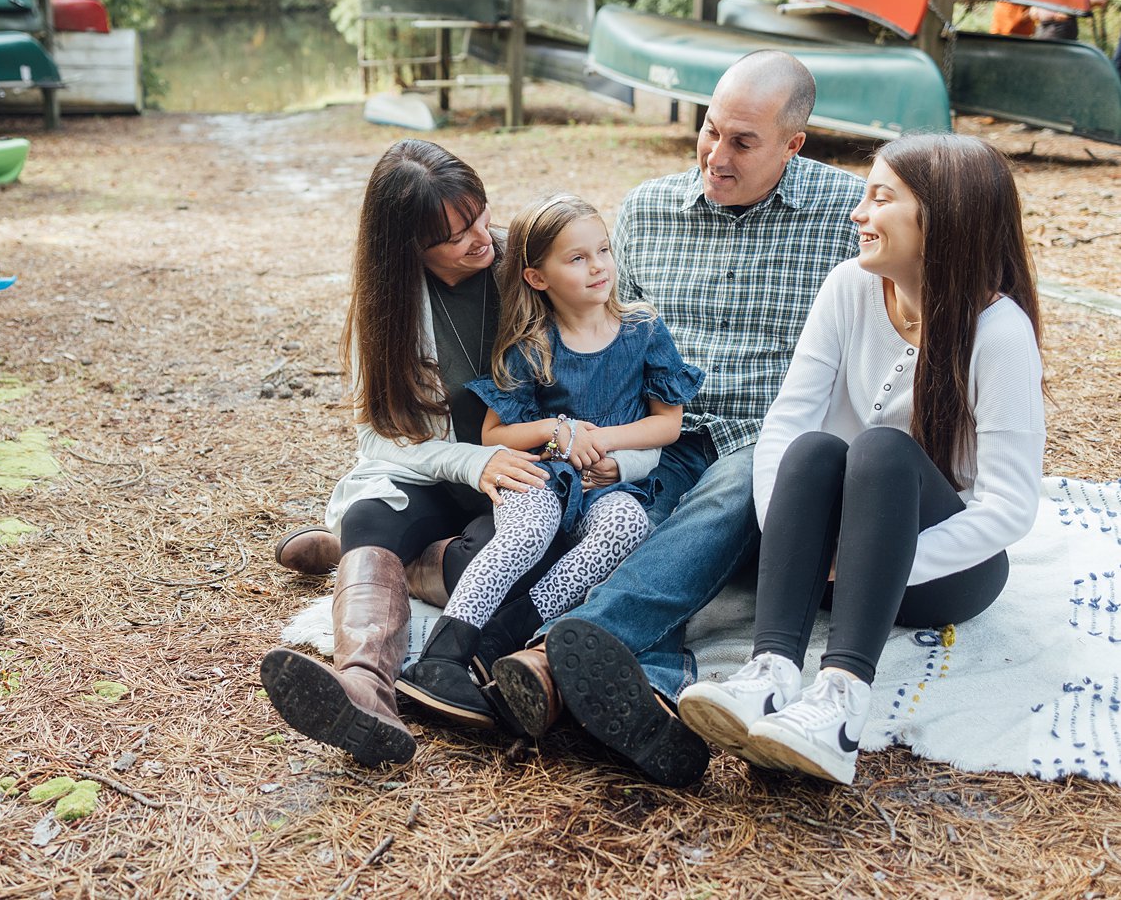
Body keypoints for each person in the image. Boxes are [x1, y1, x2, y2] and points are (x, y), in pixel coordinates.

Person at [489, 50, 866, 788]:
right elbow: (608, 333)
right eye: (709, 129)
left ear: (795, 145)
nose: (715, 156)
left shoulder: (848, 218)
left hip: (771, 434)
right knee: (625, 516)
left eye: (743, 143)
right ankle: (651, 688)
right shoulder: (647, 210)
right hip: (657, 431)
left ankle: (560, 652)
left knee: (732, 491)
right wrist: (592, 438)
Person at [676, 133, 1045, 785]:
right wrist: (793, 538)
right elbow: (786, 423)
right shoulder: (849, 288)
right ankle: (770, 674)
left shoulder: (999, 332)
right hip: (834, 568)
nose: (857, 213)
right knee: (816, 447)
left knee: (879, 450)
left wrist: (872, 562)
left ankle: (840, 704)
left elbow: (1011, 507)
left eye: (880, 198)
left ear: (940, 218)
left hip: (943, 571)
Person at [258, 139, 554, 766]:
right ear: (408, 250)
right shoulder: (388, 303)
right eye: (456, 236)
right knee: (374, 510)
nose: (483, 239)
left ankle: (353, 554)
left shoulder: (527, 266)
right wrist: (471, 462)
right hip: (440, 470)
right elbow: (378, 436)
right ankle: (365, 687)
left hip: (517, 473)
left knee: (514, 561)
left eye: (480, 215)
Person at [396, 193, 702, 728]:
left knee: (627, 526)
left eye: (603, 250)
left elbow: (667, 424)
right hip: (544, 472)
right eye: (577, 258)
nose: (599, 266)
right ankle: (441, 657)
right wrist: (560, 431)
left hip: (608, 485)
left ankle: (499, 643)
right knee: (528, 528)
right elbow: (497, 432)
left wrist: (602, 442)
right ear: (538, 278)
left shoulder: (642, 330)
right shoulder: (531, 345)